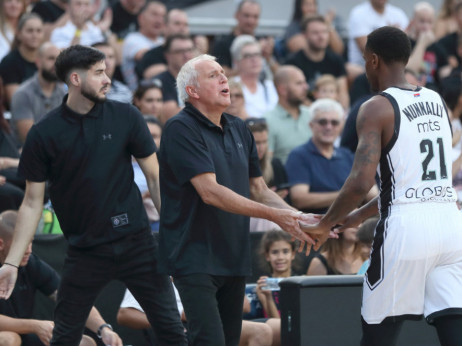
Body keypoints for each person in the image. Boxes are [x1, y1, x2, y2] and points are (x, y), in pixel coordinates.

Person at [0, 45, 187, 345]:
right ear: (75, 78)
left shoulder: (126, 115)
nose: (107, 79)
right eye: (99, 73)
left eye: (106, 71)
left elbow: (156, 177)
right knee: (64, 338)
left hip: (138, 242)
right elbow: (32, 201)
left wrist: (173, 234)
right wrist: (10, 263)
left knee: (172, 332)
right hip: (85, 250)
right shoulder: (44, 133)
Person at [303, 26, 462, 346]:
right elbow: (412, 183)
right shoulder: (436, 100)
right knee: (453, 321)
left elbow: (360, 182)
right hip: (450, 223)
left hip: (406, 230)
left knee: (378, 330)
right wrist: (358, 217)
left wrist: (325, 223)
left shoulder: (375, 107)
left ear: (373, 60)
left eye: (364, 60)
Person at [157, 54, 317, 346]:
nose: (223, 79)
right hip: (193, 257)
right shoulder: (180, 128)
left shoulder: (239, 127)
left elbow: (259, 188)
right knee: (209, 341)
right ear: (192, 91)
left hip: (232, 255)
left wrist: (298, 216)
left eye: (223, 73)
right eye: (213, 75)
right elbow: (210, 191)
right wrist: (276, 217)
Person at [0, 210, 122, 346]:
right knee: (9, 339)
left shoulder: (30, 263)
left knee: (85, 343)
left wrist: (103, 329)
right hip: (9, 335)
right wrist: (34, 325)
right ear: (1, 244)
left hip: (24, 334)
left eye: (30, 242)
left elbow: (72, 300)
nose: (29, 249)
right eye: (22, 244)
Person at [286, 98, 377, 214]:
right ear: (311, 125)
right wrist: (348, 195)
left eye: (334, 123)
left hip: (353, 222)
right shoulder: (298, 155)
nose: (329, 127)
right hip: (317, 223)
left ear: (341, 126)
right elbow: (300, 199)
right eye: (322, 122)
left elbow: (371, 193)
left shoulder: (348, 156)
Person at [284, 15, 349, 109]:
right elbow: (294, 96)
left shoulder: (336, 60)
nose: (321, 36)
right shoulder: (293, 62)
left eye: (324, 32)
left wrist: (341, 112)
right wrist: (316, 111)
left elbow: (343, 92)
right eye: (315, 33)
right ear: (304, 35)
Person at [10, 42, 65, 144]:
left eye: (58, 59)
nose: (56, 64)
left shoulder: (63, 93)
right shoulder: (23, 94)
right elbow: (29, 137)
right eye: (51, 59)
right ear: (38, 62)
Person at [256, 230, 300, 346]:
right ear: (267, 256)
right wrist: (268, 297)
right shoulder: (263, 287)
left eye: (285, 251)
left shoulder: (301, 283)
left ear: (293, 254)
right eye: (275, 252)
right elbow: (278, 326)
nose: (280, 257)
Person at [246, 118, 288, 232]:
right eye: (257, 142)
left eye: (264, 142)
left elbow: (287, 194)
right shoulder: (239, 167)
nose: (261, 147)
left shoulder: (275, 164)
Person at [264, 65, 311, 165]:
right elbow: (266, 163)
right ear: (282, 90)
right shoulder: (268, 121)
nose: (306, 87)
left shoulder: (311, 115)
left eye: (304, 82)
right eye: (299, 83)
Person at [347, 0, 408, 69]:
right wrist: (392, 36)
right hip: (364, 69)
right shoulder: (358, 13)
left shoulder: (398, 14)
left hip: (395, 67)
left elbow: (407, 45)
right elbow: (367, 49)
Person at [0, 13, 44, 108]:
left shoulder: (47, 60)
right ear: (18, 34)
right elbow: (15, 101)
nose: (35, 35)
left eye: (38, 31)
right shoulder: (9, 62)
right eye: (30, 31)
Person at [121, 0, 166, 90]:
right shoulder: (133, 39)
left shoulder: (163, 41)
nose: (159, 20)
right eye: (154, 14)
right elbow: (148, 58)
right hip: (138, 96)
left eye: (163, 16)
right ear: (141, 18)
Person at [151, 34, 195, 124]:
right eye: (180, 51)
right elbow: (171, 115)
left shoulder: (200, 79)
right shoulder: (159, 82)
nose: (186, 55)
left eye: (189, 50)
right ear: (167, 56)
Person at [406, 1, 451, 90]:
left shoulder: (438, 47)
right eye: (422, 21)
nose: (425, 26)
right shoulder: (406, 43)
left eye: (429, 22)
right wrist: (422, 43)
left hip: (432, 90)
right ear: (413, 22)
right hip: (411, 88)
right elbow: (409, 69)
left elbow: (446, 74)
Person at [231, 35, 278, 118]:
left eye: (257, 54)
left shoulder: (268, 85)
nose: (254, 59)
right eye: (248, 56)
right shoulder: (231, 87)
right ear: (236, 62)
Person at [136, 8, 190, 81]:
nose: (182, 28)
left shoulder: (194, 54)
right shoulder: (151, 56)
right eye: (177, 24)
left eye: (185, 25)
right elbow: (150, 78)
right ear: (164, 27)